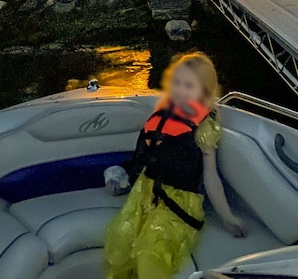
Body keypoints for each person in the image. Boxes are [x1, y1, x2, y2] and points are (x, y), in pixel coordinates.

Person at [103, 52, 246, 279]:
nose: (180, 90)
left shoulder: (204, 127)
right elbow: (142, 157)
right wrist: (124, 180)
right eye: (177, 83)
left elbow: (211, 176)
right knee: (121, 241)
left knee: (150, 254)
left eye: (189, 85)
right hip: (145, 192)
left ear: (204, 91)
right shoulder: (161, 116)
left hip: (181, 201)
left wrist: (226, 216)